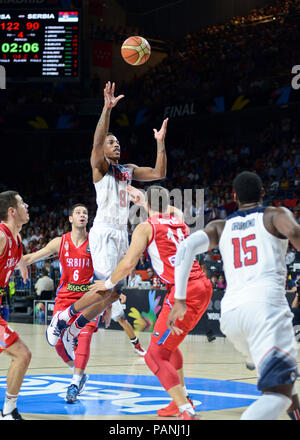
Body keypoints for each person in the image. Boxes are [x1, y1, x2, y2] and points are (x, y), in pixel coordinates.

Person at [47, 81, 167, 356]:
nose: (116, 146)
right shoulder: (100, 168)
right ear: (103, 148)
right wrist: (107, 109)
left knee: (113, 293)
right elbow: (97, 140)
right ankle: (63, 318)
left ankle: (75, 328)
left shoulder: (127, 170)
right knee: (104, 289)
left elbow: (159, 172)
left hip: (121, 234)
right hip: (102, 231)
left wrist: (160, 143)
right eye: (111, 142)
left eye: (119, 143)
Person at [168, 171, 300, 420]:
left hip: (231, 316)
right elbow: (295, 234)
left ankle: (255, 358)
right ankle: (259, 363)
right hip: (266, 310)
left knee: (283, 375)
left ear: (234, 196)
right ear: (263, 193)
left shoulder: (221, 226)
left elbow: (185, 248)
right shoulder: (275, 215)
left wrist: (180, 300)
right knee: (278, 395)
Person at [88, 185, 213, 420]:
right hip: (200, 286)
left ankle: (187, 412)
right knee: (168, 348)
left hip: (184, 292)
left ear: (145, 205)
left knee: (154, 355)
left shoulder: (146, 228)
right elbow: (171, 208)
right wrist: (148, 200)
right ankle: (181, 402)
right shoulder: (179, 220)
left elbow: (127, 264)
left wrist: (106, 284)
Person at [23, 204, 98, 404]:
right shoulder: (60, 242)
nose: (82, 215)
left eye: (85, 213)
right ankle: (79, 373)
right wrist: (13, 262)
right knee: (56, 343)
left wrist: (112, 301)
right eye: (78, 213)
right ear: (71, 219)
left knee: (84, 335)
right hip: (65, 297)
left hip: (88, 297)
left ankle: (74, 384)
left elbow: (107, 271)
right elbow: (32, 257)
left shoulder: (95, 241)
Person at [0, 191, 31, 420]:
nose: (26, 205)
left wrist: (21, 264)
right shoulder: (1, 237)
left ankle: (9, 410)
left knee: (21, 355)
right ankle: (8, 412)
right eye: (21, 203)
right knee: (22, 354)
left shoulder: (16, 239)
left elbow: (15, 256)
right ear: (12, 211)